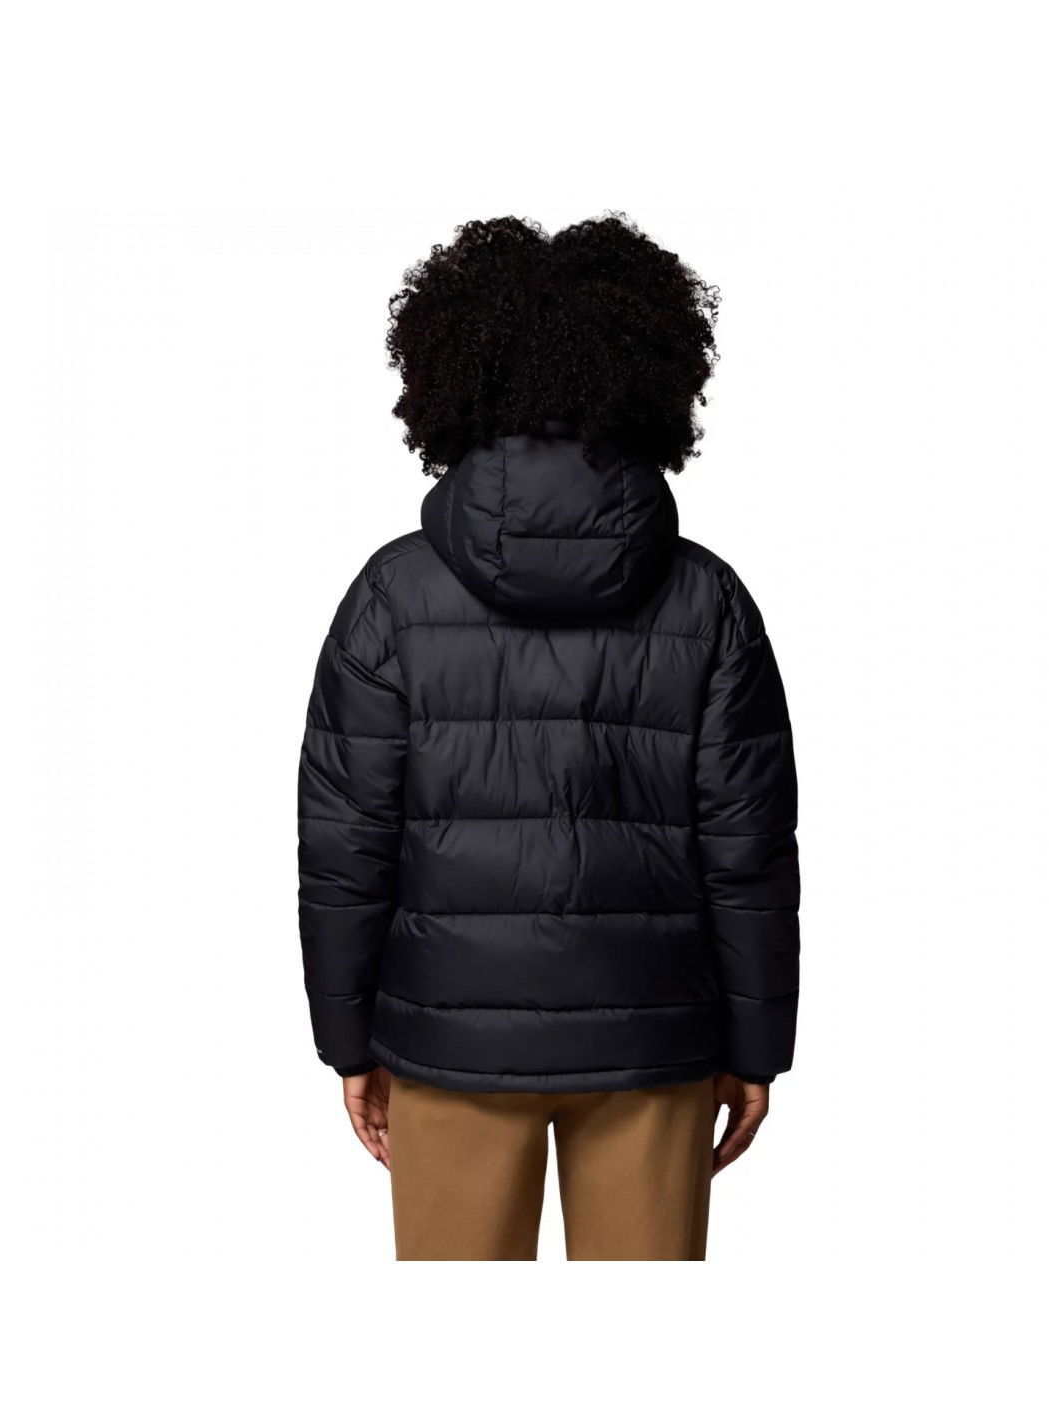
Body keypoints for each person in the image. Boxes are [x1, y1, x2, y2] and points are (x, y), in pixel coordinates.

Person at [297, 215, 800, 1260]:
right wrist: (754, 1047)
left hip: (447, 1043)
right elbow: (748, 850)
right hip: (654, 1040)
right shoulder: (708, 601)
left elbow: (344, 847)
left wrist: (349, 1042)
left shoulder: (390, 596)